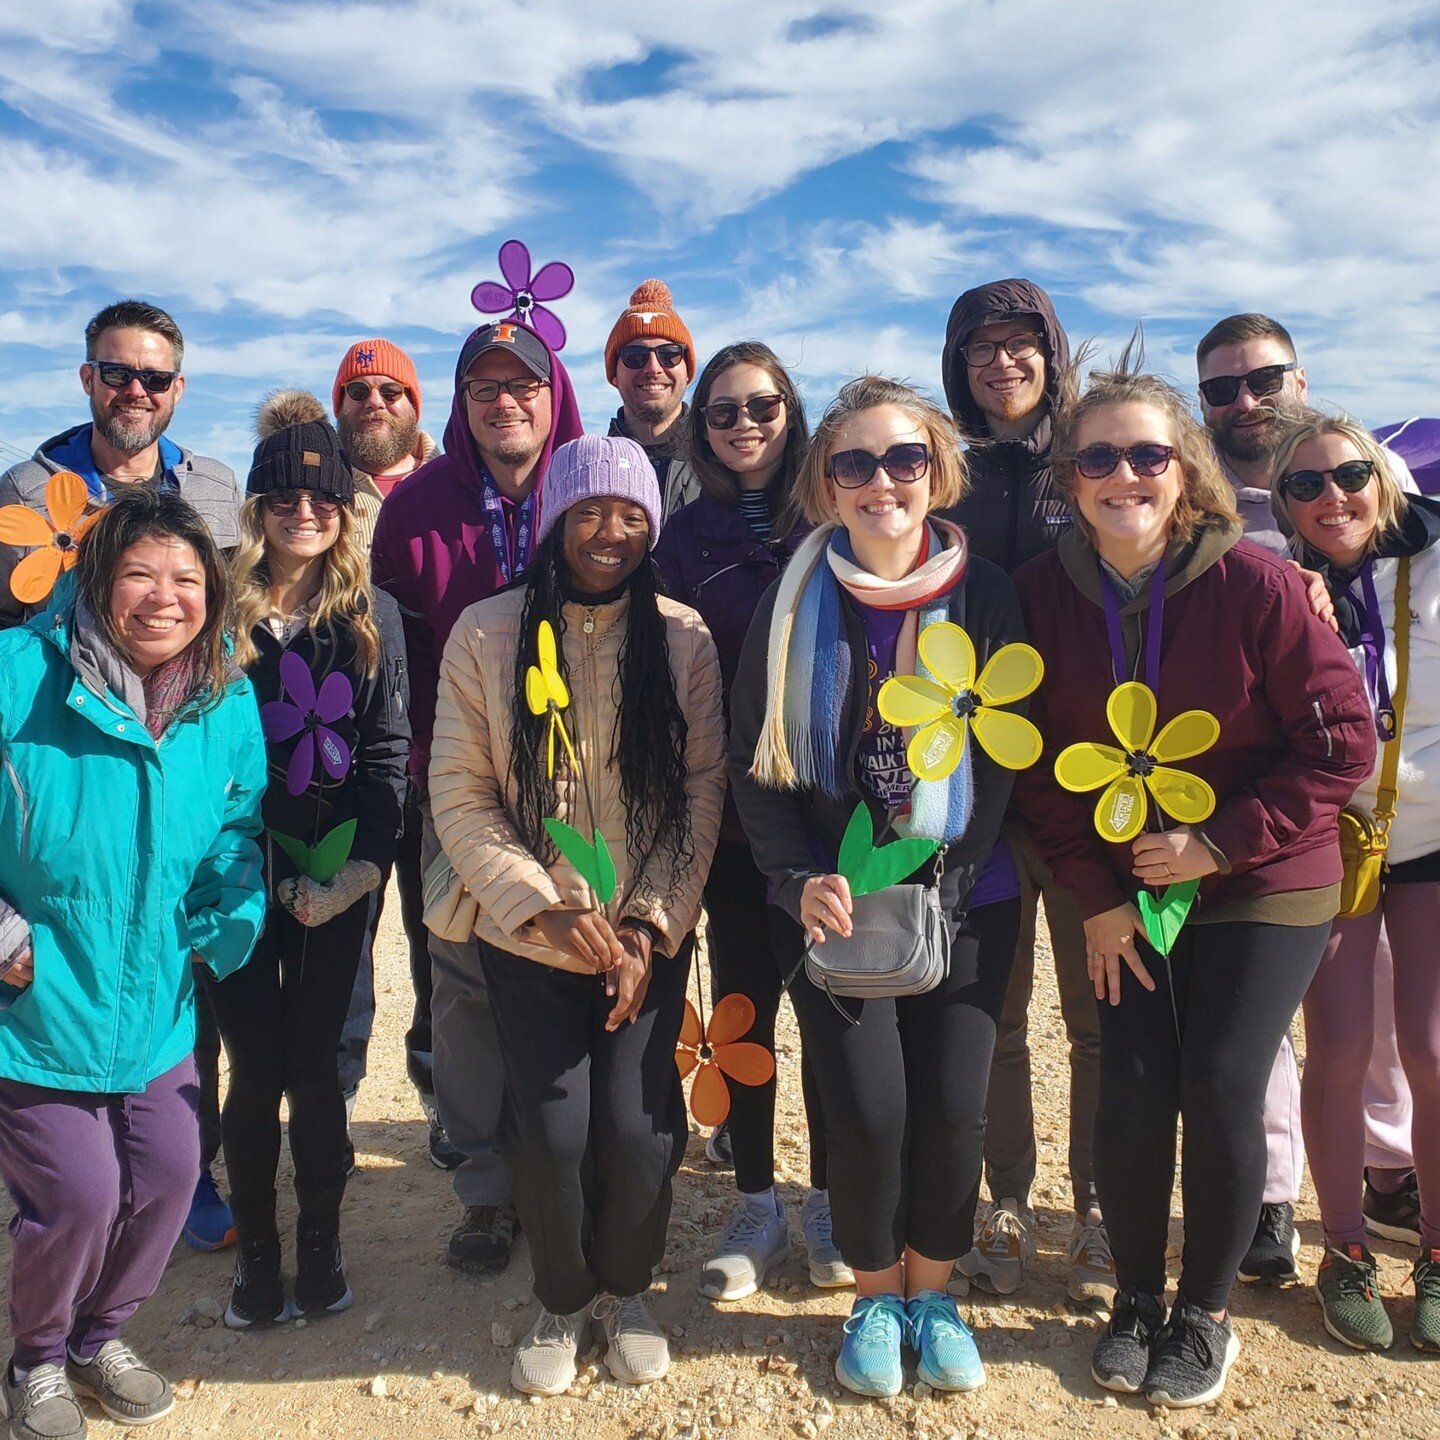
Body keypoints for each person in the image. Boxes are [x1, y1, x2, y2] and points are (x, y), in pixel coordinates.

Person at [1013, 344, 1374, 1408]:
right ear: (1068, 478)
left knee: (1218, 1077)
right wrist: (1101, 895)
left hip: (1264, 876)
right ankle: (1135, 1297)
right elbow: (1032, 768)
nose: (1125, 475)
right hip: (1128, 885)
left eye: (1148, 455)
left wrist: (1219, 840)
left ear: (1186, 469)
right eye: (1098, 459)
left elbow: (1342, 742)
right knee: (1131, 1079)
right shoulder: (1042, 593)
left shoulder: (1256, 581)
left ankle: (1204, 1310)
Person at [730, 376, 1024, 1398]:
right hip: (839, 903)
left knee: (950, 1112)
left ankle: (931, 1295)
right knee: (865, 1112)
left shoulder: (985, 593)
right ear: (827, 484)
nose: (881, 482)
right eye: (854, 463)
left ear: (937, 470)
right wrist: (795, 875)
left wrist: (950, 876)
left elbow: (1006, 756)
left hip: (968, 900)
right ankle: (871, 1292)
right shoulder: (790, 601)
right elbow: (753, 764)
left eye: (904, 459)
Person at [429, 434, 724, 1395]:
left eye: (632, 515)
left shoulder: (682, 638)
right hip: (529, 937)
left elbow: (699, 791)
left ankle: (627, 1288)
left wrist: (646, 927)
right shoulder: (484, 633)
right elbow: (462, 794)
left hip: (641, 937)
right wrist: (539, 907)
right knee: (553, 1134)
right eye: (589, 511)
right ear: (554, 520)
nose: (611, 532)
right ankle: (562, 1295)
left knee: (637, 1134)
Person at [0, 489, 266, 1440]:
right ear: (99, 577)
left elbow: (238, 827)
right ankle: (33, 1356)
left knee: (166, 1180)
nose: (164, 597)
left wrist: (230, 912)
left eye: (188, 578)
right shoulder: (16, 673)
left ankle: (95, 1337)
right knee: (79, 1195)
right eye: (141, 573)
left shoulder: (224, 698)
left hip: (155, 1003)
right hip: (32, 1007)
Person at [0, 299, 246, 1253]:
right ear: (86, 377)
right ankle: (63, 1185)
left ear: (178, 390)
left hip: (173, 751)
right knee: (53, 975)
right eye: (117, 371)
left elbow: (221, 623)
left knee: (176, 978)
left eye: (154, 376)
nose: (134, 390)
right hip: (57, 764)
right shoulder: (25, 490)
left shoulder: (215, 489)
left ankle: (181, 1174)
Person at [1197, 311, 1420, 1281]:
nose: (1245, 402)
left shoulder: (1363, 478)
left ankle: (1387, 1162)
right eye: (1222, 389)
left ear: (1301, 378)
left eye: (1263, 379)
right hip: (1260, 791)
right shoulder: (1196, 501)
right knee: (1267, 1013)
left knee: (1367, 1007)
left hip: (1387, 796)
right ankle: (1275, 1195)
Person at [370, 317, 582, 1274]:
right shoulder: (414, 510)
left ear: (553, 392)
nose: (507, 402)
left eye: (523, 384)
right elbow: (397, 657)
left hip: (588, 790)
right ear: (461, 404)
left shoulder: (593, 489)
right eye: (486, 387)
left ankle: (570, 1165)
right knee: (461, 987)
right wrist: (425, 764)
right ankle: (486, 1189)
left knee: (576, 959)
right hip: (456, 786)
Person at [209, 401, 409, 1328]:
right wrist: (224, 875)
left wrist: (362, 873)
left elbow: (385, 754)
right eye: (284, 494)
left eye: (321, 496)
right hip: (235, 877)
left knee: (319, 1067)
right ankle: (259, 1249)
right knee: (254, 1065)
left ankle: (321, 1240)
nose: (304, 511)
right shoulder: (216, 613)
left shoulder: (374, 618)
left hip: (336, 876)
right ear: (257, 507)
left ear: (345, 508)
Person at [654, 341, 844, 1299]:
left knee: (834, 1013)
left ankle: (830, 1201)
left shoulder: (838, 514)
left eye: (761, 407)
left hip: (833, 820)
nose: (743, 427)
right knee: (745, 1011)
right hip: (733, 825)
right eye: (722, 412)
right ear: (700, 425)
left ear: (790, 411)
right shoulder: (683, 541)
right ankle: (760, 1199)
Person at [939, 278, 1113, 1309]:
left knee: (1097, 1021)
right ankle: (1006, 1200)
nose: (1001, 362)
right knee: (996, 1018)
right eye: (979, 348)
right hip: (980, 794)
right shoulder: (943, 469)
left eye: (1020, 343)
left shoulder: (1091, 456)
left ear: (1051, 353)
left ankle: (1097, 1211)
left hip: (1091, 783)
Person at [1272, 414, 1440, 1353]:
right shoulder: (1287, 587)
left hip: (1432, 839)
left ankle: (1438, 1256)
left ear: (1382, 477)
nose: (1332, 499)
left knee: (1432, 1050)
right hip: (1332, 845)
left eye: (1347, 476)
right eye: (1305, 487)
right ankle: (1342, 1253)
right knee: (1338, 1048)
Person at [324, 347, 451, 1170]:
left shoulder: (453, 491)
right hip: (346, 763)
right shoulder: (312, 494)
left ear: (414, 401)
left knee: (442, 945)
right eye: (357, 391)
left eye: (390, 390)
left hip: (446, 760)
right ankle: (329, 1106)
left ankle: (445, 1097)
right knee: (343, 948)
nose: (374, 402)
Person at [604, 280, 702, 519]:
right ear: (614, 373)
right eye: (634, 357)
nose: (653, 368)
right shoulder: (593, 467)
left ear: (687, 371)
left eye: (669, 355)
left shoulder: (720, 459)